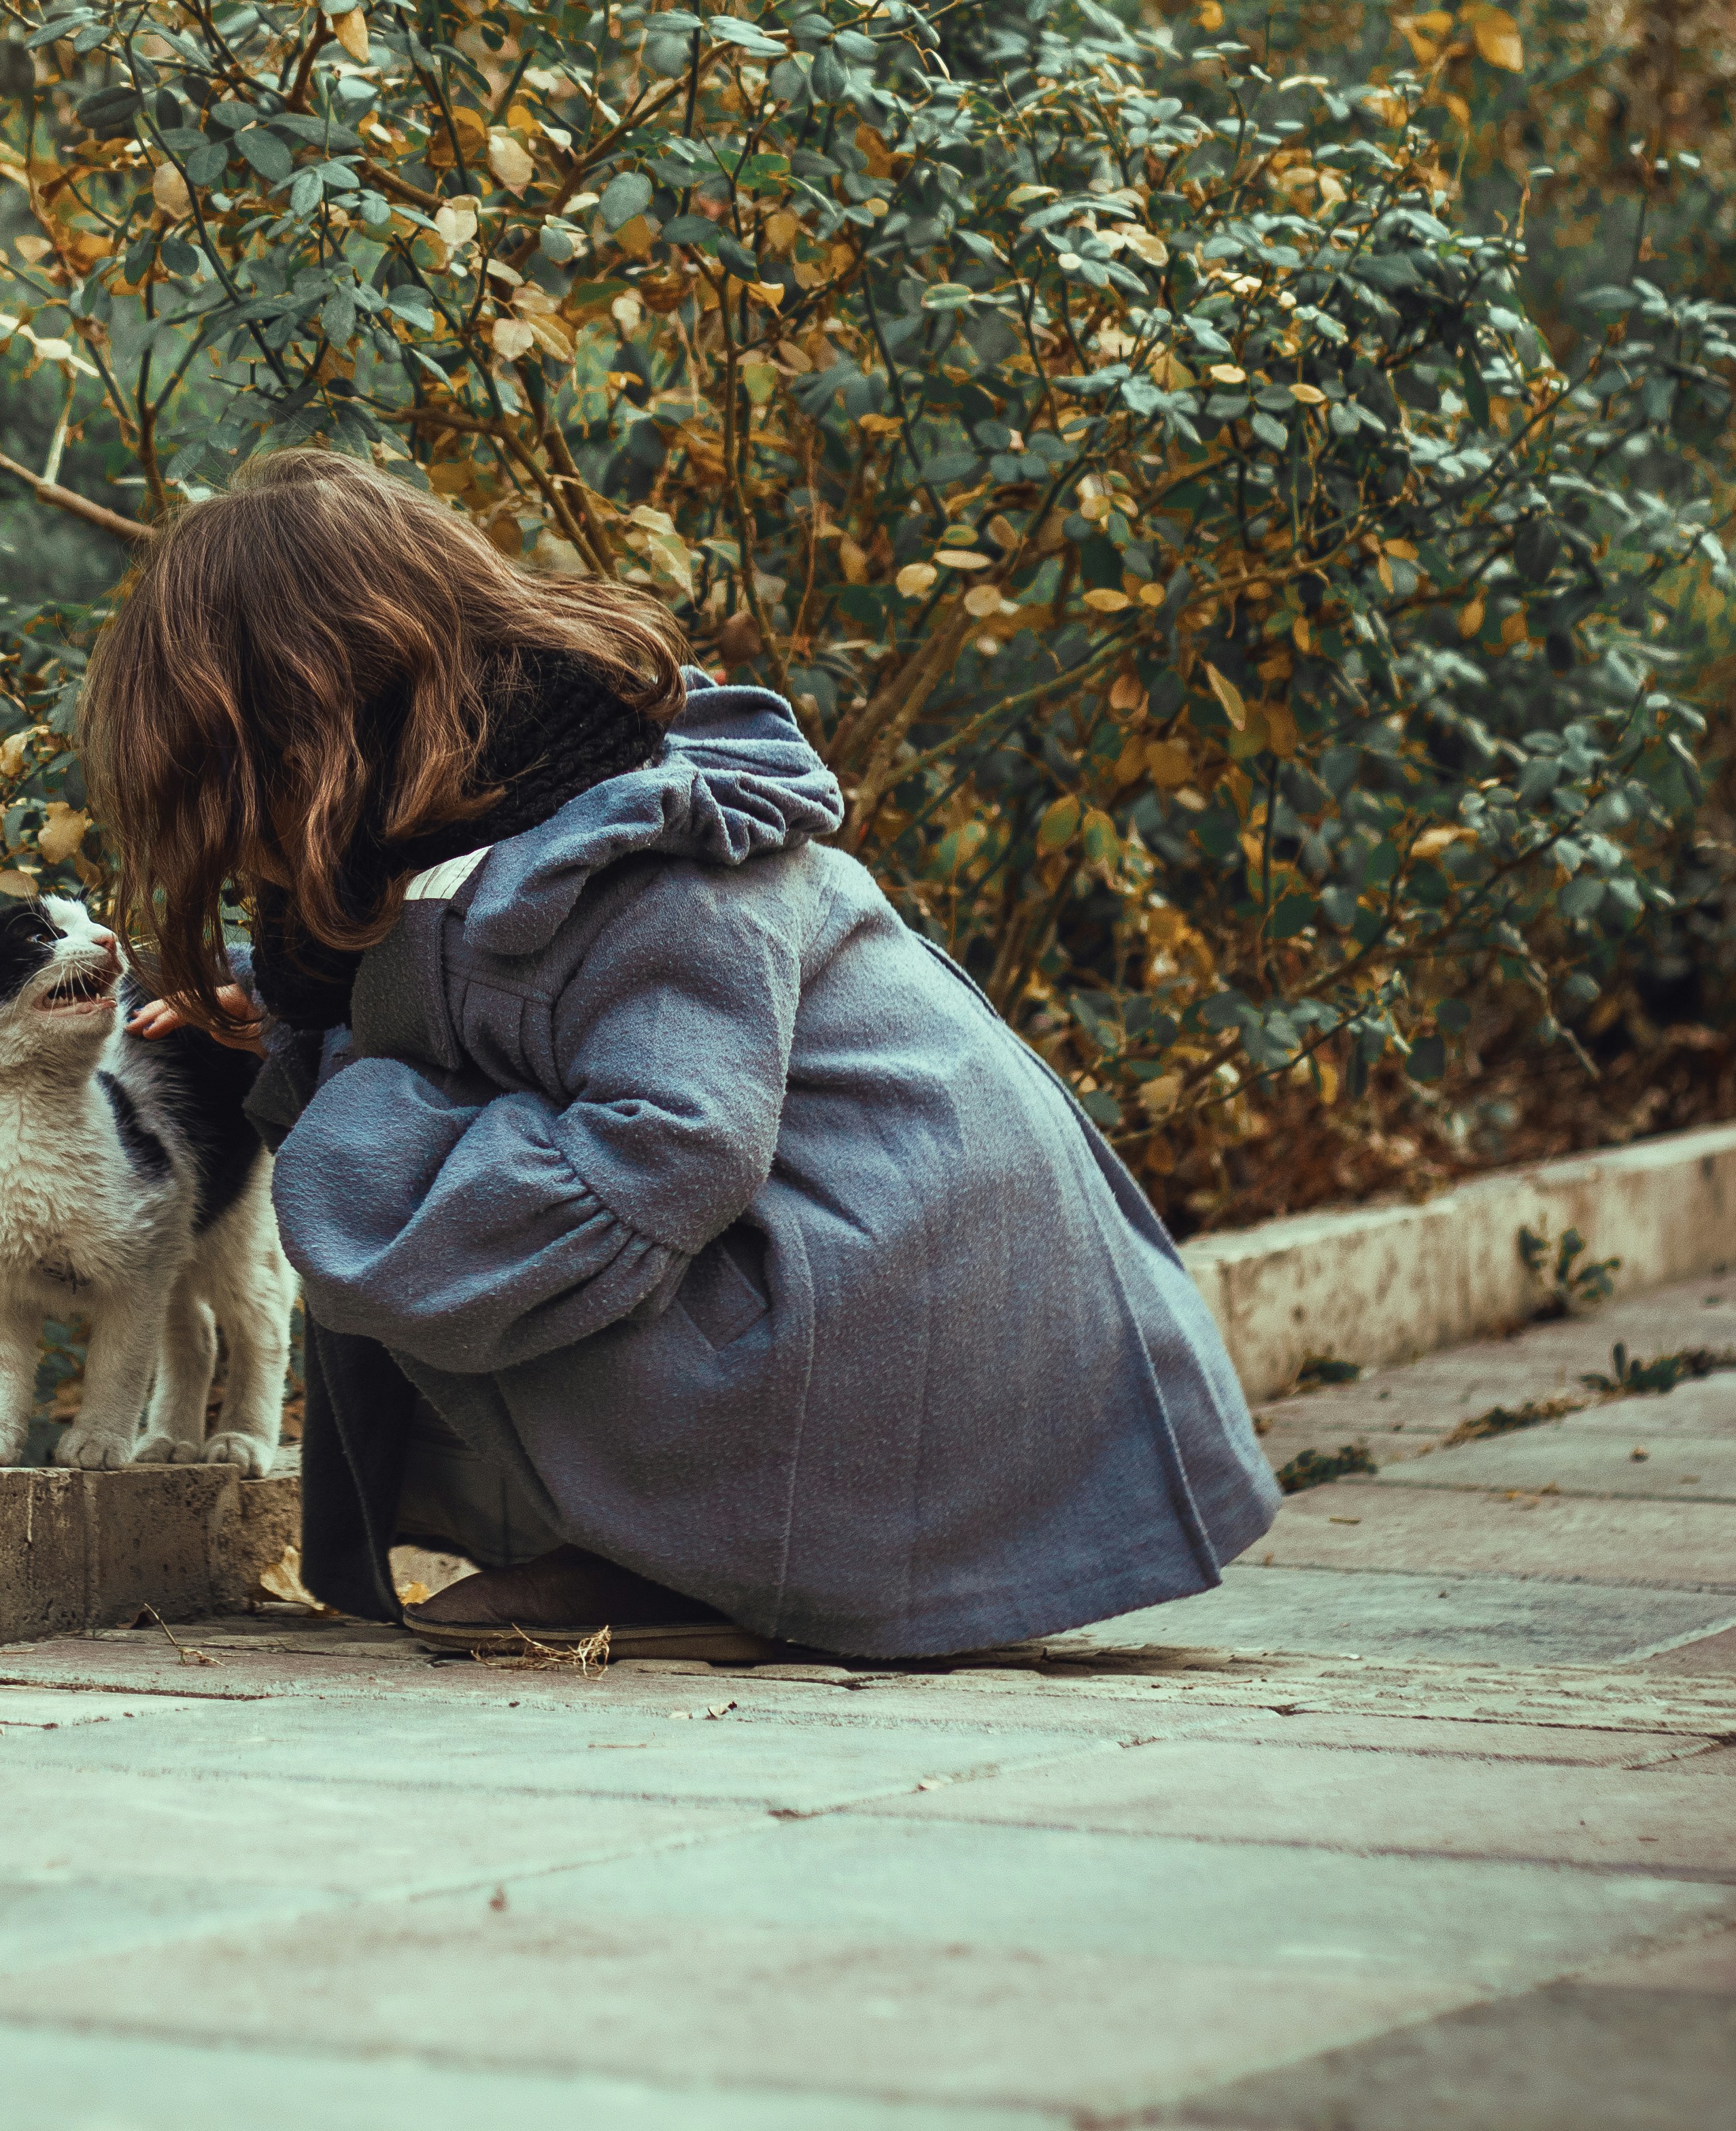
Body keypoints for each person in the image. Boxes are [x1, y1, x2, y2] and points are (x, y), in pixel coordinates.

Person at [91, 446, 1277, 1654]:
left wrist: (360, 1129)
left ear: (322, 733)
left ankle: (704, 1565)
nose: (233, 847)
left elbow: (673, 1146)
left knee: (379, 1153)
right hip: (892, 1303)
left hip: (907, 1351)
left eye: (230, 794)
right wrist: (295, 1005)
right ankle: (678, 1549)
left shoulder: (655, 852)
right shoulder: (516, 805)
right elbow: (470, 980)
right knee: (397, 1126)